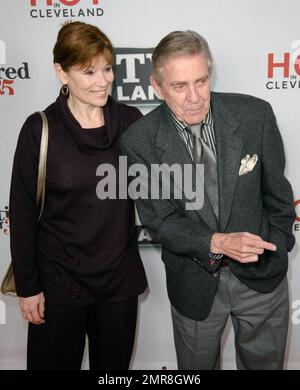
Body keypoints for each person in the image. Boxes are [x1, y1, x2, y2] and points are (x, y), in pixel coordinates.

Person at [120, 30, 295, 370]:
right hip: (195, 284)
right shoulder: (138, 141)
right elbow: (160, 221)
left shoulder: (254, 115)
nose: (195, 97)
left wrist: (278, 245)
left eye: (201, 81)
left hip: (263, 278)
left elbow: (278, 193)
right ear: (157, 86)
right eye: (179, 86)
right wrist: (218, 242)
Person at [9, 21, 147, 370]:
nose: (104, 81)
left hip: (118, 285)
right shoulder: (39, 129)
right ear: (61, 72)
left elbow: (158, 190)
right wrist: (28, 287)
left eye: (107, 69)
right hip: (57, 287)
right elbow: (23, 215)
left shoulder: (131, 122)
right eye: (89, 72)